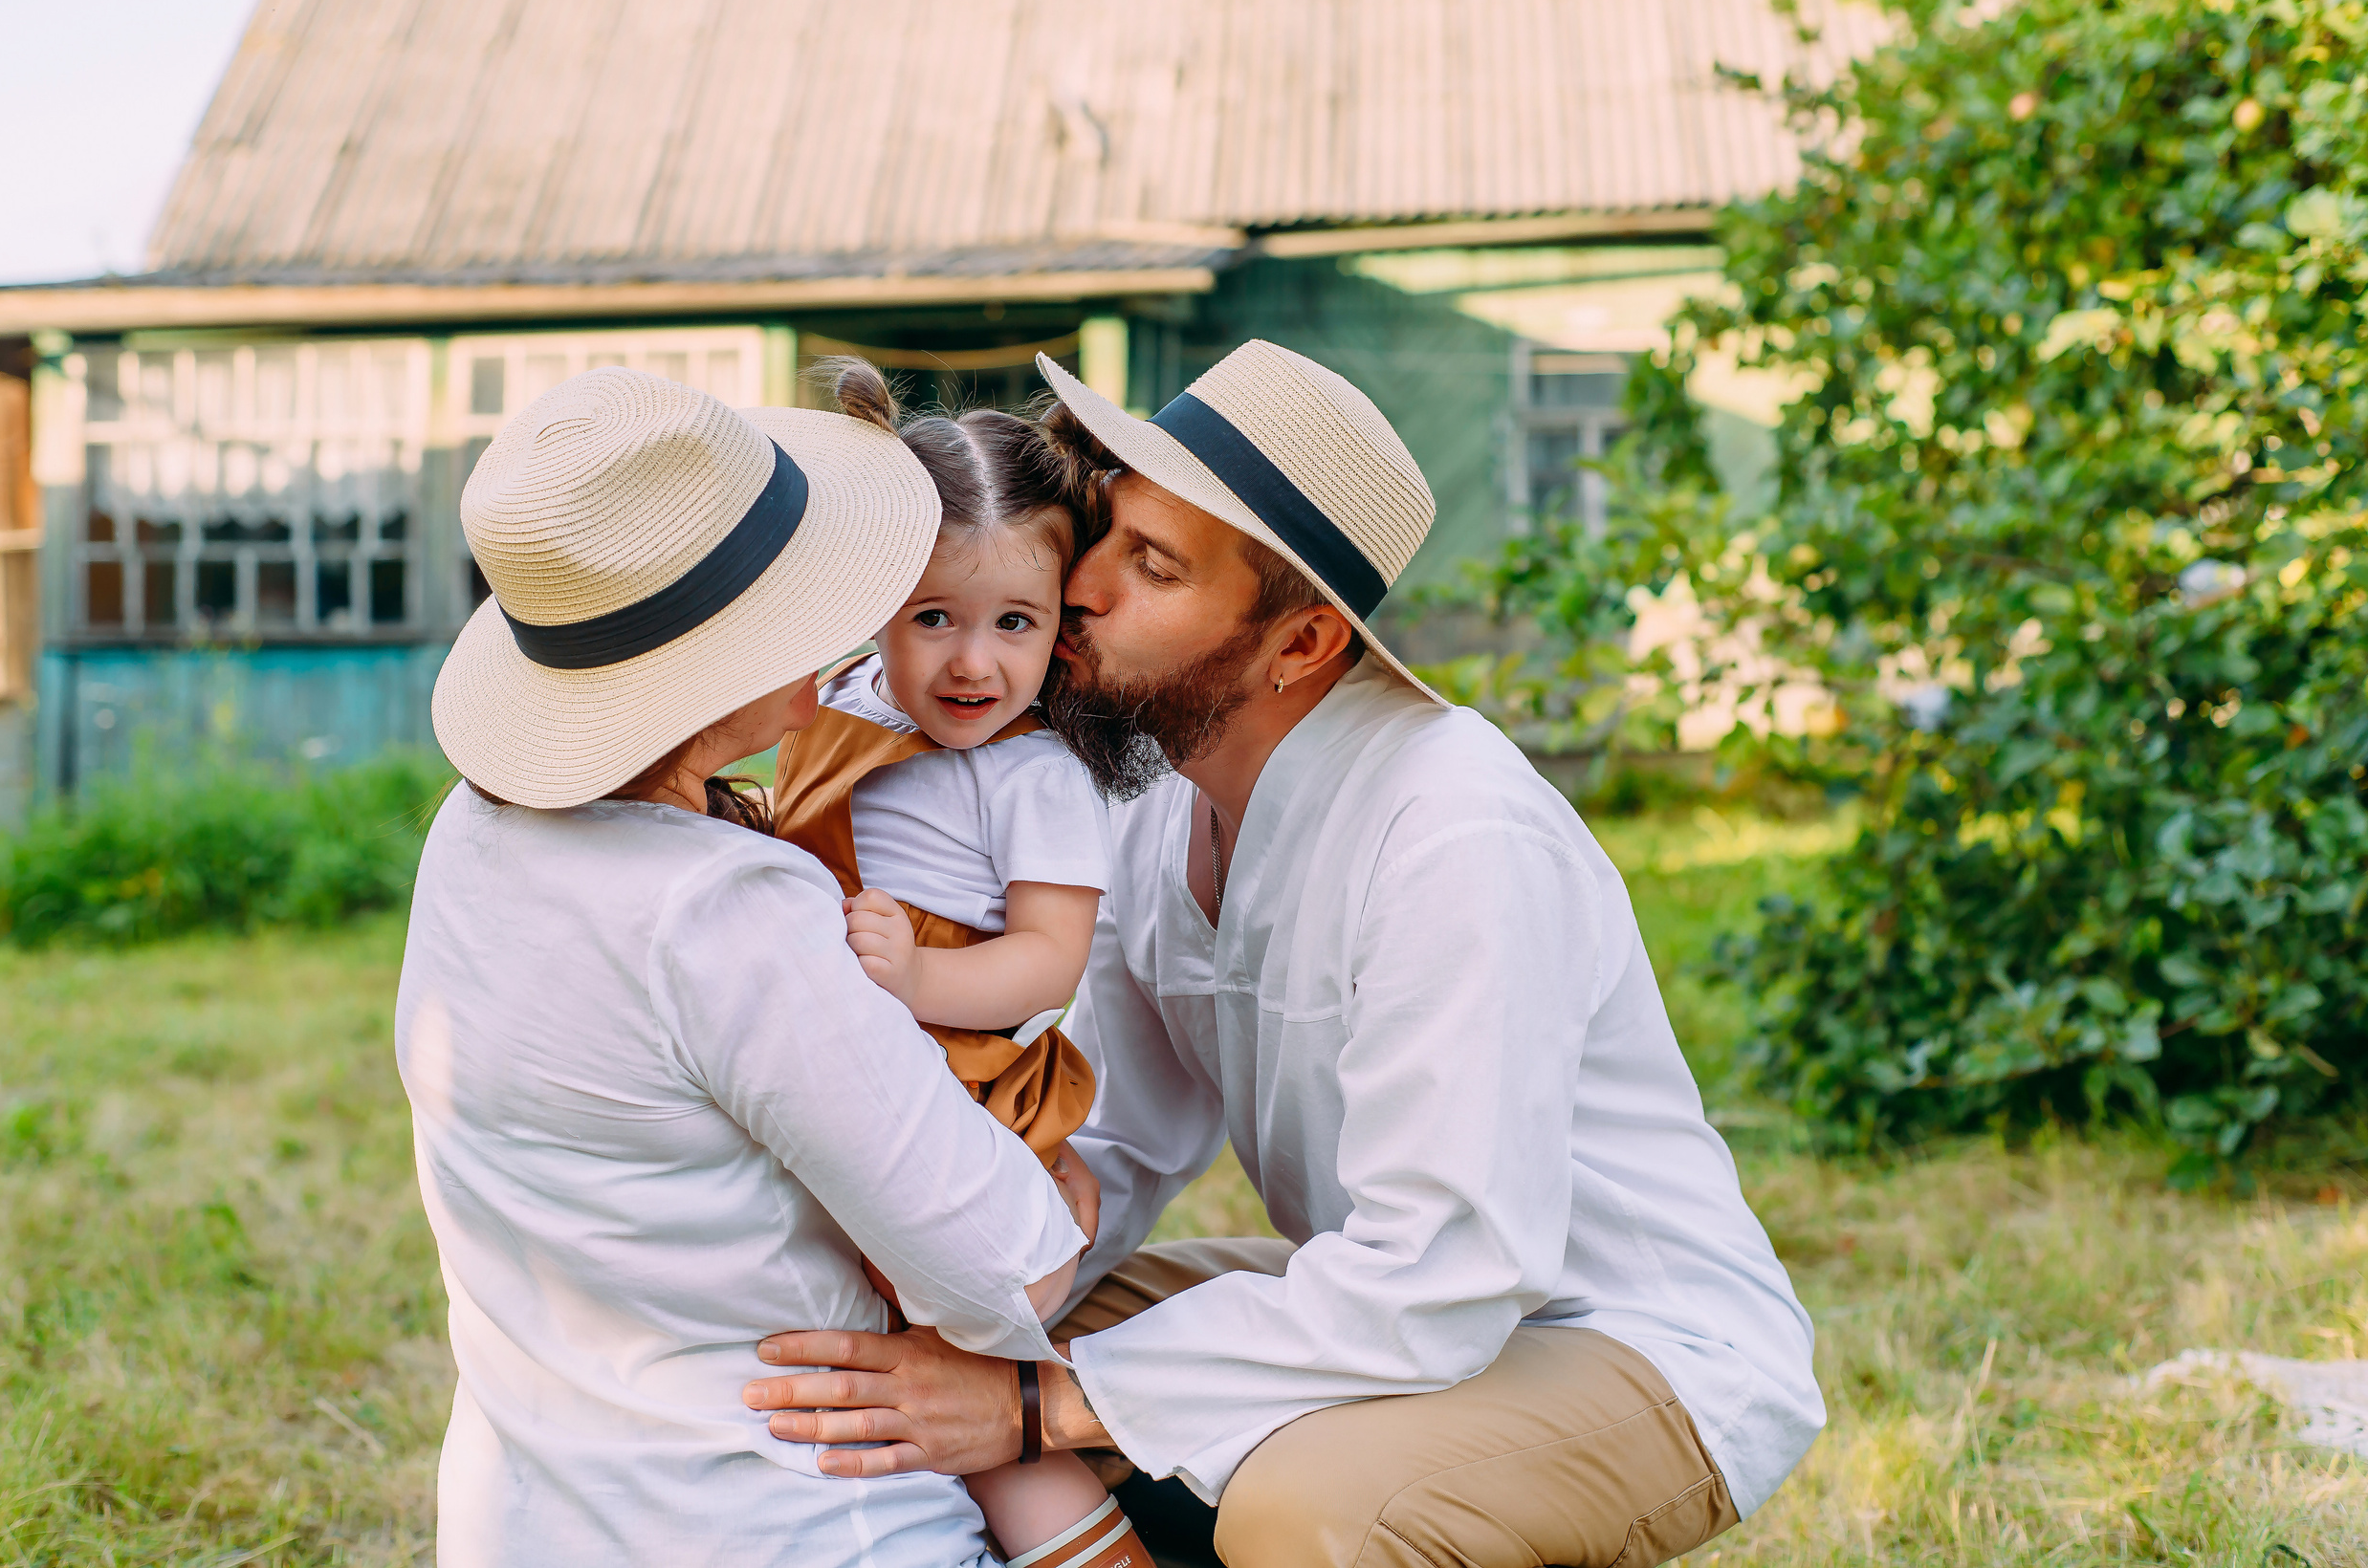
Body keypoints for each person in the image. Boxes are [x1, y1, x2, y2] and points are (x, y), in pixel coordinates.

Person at [741, 341, 1827, 1568]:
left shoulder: (1453, 829)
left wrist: (1033, 1409)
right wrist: (1008, 1247)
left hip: (1625, 1344)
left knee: (1308, 1515)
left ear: (1299, 645)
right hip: (1391, 1304)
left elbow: (1451, 1270)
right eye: (1107, 531)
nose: (1081, 583)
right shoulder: (1160, 811)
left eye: (1152, 565)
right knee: (990, 1332)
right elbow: (1123, 1137)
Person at [396, 366, 1092, 1567]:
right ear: (733, 660)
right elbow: (1004, 1278)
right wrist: (1067, 1208)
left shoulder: (469, 834)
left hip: (536, 1519)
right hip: (790, 1522)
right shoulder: (727, 910)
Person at [770, 359, 1152, 1568]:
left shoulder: (1031, 775)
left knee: (977, 1400)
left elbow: (1048, 961)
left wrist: (919, 981)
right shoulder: (838, 699)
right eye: (933, 616)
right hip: (856, 1052)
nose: (971, 663)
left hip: (960, 1080)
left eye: (1015, 624)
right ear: (878, 602)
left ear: (1060, 627)